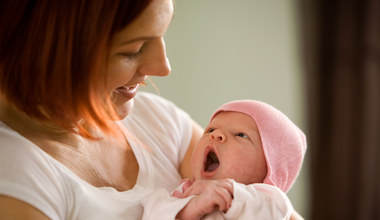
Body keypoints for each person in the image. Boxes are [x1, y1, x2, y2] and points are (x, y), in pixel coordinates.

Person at [0, 1, 304, 219]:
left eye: (162, 33)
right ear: (50, 50)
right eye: (133, 50)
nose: (163, 67)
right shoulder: (18, 176)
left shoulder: (158, 121)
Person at [141, 100, 307, 220]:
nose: (216, 134)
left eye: (240, 135)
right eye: (211, 129)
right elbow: (152, 213)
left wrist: (230, 192)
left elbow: (274, 212)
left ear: (269, 168)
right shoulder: (184, 193)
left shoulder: (270, 201)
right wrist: (190, 209)